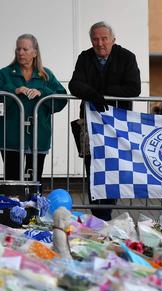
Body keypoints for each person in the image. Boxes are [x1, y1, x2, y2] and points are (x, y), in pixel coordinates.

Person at [69, 21, 141, 221]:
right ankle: (98, 216)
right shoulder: (85, 57)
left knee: (114, 169)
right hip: (90, 124)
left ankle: (105, 214)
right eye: (95, 39)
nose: (100, 43)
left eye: (104, 38)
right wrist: (92, 93)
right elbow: (75, 85)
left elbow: (134, 88)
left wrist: (101, 94)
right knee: (93, 169)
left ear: (113, 39)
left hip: (117, 125)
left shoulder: (127, 57)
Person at [0, 34, 66, 181]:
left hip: (38, 137)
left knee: (34, 180)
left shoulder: (45, 75)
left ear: (35, 52)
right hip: (11, 137)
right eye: (18, 49)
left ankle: (33, 204)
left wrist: (42, 94)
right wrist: (13, 91)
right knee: (13, 181)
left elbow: (61, 99)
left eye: (25, 49)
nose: (20, 53)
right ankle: (14, 204)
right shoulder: (5, 74)